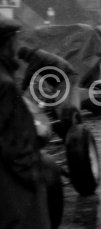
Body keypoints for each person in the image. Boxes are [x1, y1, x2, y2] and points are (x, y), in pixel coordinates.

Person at [0, 18, 51, 228]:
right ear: (8, 43)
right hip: (14, 186)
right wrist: (34, 176)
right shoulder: (4, 84)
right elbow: (14, 143)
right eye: (15, 39)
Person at [18, 46, 81, 136]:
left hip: (66, 77)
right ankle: (68, 133)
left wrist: (21, 91)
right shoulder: (39, 54)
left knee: (62, 107)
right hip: (65, 76)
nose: (25, 62)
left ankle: (71, 134)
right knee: (59, 106)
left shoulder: (36, 56)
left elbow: (29, 73)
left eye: (23, 59)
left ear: (25, 55)